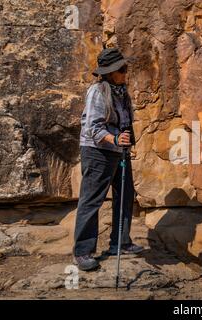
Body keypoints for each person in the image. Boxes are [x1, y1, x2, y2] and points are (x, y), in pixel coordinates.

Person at [73, 48, 144, 271]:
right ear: (111, 72)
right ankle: (83, 251)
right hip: (97, 150)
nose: (126, 72)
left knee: (125, 195)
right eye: (122, 69)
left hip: (117, 149)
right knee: (92, 199)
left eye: (125, 68)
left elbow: (124, 120)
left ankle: (120, 243)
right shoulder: (98, 91)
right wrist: (114, 138)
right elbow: (93, 127)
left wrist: (124, 139)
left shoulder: (121, 90)